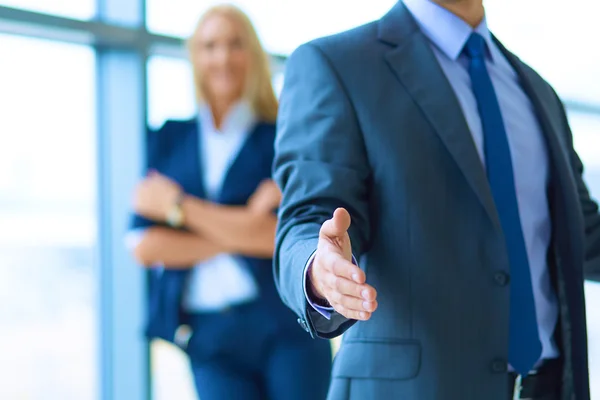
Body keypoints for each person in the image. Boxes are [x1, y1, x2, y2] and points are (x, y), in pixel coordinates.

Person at [273, 0, 600, 399]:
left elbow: (583, 233)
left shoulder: (537, 91)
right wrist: (318, 272)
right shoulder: (336, 64)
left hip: (549, 386)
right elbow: (309, 217)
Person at [128, 5, 332, 400]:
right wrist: (246, 223)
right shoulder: (169, 139)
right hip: (208, 337)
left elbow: (284, 237)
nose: (222, 57)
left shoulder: (284, 138)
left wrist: (178, 209)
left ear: (252, 55)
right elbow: (146, 245)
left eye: (235, 44)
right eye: (210, 46)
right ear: (195, 57)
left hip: (285, 327)